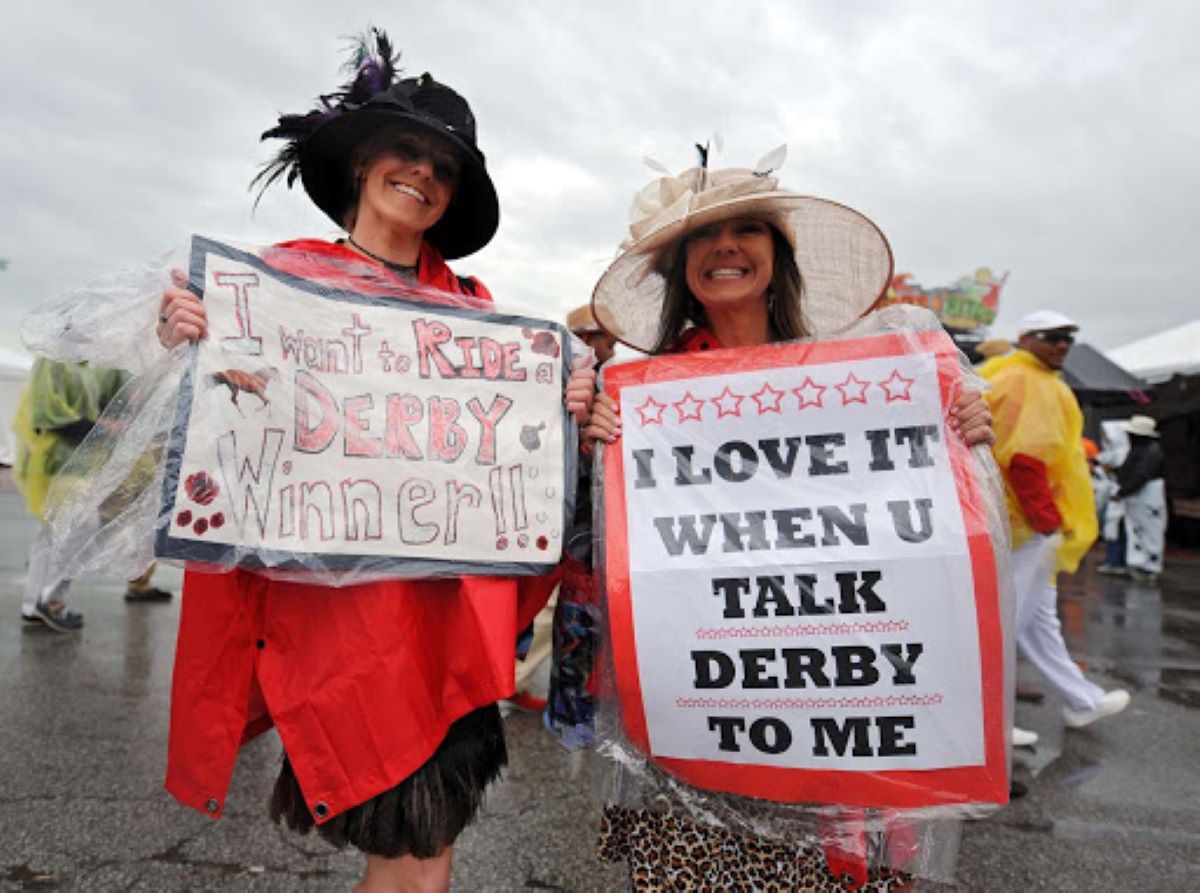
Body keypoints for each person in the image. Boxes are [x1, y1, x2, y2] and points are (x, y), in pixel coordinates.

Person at [156, 31, 593, 892]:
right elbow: (230, 426)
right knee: (416, 864)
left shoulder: (476, 313)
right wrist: (183, 337)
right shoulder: (278, 283)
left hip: (442, 626)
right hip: (341, 632)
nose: (425, 174)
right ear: (361, 163)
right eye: (409, 152)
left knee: (425, 860)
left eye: (445, 167)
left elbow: (517, 464)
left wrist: (568, 404)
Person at [583, 157, 997, 891]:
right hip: (704, 714)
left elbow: (919, 521)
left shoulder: (859, 368)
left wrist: (958, 418)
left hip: (833, 716)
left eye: (749, 230)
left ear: (778, 256)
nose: (727, 248)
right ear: (684, 267)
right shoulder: (646, 395)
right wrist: (604, 446)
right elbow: (604, 557)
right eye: (705, 237)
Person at [981, 310, 1130, 736]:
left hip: (1021, 522)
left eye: (1068, 339)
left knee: (1037, 618)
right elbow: (1025, 460)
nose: (1062, 345)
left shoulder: (1016, 375)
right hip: (1023, 524)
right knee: (1006, 621)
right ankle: (986, 724)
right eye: (1053, 337)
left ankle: (1082, 700)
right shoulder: (1026, 381)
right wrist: (1047, 523)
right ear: (1026, 338)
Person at [15, 358, 172, 632]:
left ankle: (35, 603)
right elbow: (48, 415)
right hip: (57, 461)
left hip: (79, 462)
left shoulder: (91, 367)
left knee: (52, 534)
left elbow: (110, 399)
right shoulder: (52, 363)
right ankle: (49, 600)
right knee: (75, 527)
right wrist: (102, 426)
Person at [1110, 415, 1166, 582]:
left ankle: (1149, 566)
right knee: (1138, 528)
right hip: (1139, 498)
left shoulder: (1149, 451)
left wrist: (1123, 492)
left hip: (1147, 497)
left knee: (1150, 529)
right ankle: (1140, 563)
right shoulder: (1141, 449)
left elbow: (1141, 475)